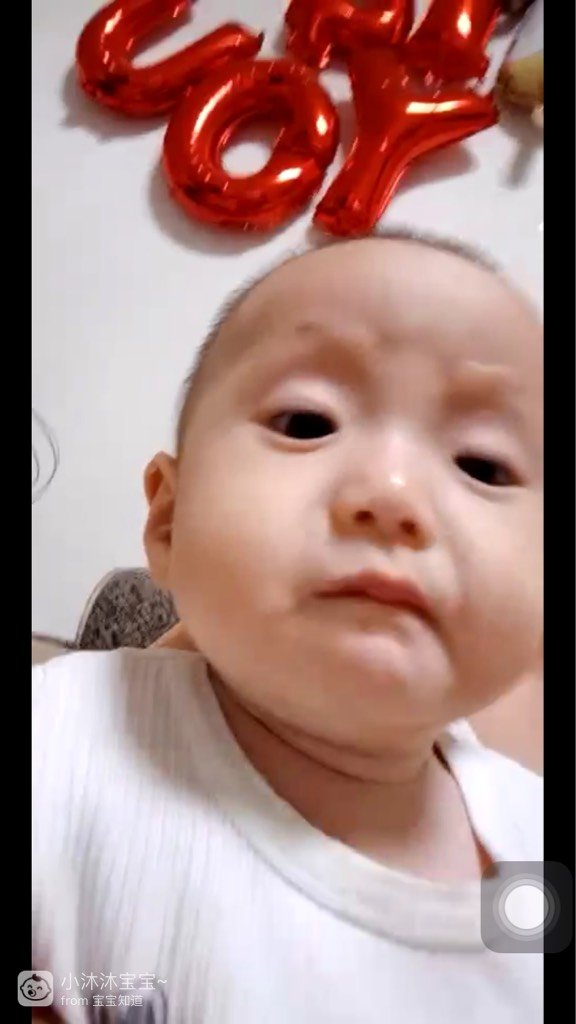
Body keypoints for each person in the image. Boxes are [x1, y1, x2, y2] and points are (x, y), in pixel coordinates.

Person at [33, 231, 543, 1023]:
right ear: (168, 520)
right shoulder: (64, 738)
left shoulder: (533, 832)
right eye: (307, 422)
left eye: (483, 465)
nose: (394, 494)